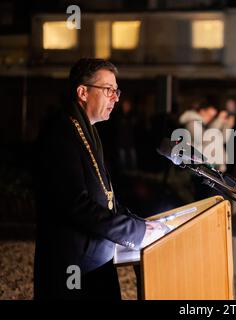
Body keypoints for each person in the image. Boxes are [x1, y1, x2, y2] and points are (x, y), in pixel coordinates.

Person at [34, 58, 168, 300]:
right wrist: (133, 231)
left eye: (116, 91)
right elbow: (76, 205)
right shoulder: (61, 133)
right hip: (74, 269)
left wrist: (139, 224)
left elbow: (105, 198)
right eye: (108, 90)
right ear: (82, 92)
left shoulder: (88, 130)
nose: (115, 98)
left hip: (96, 259)